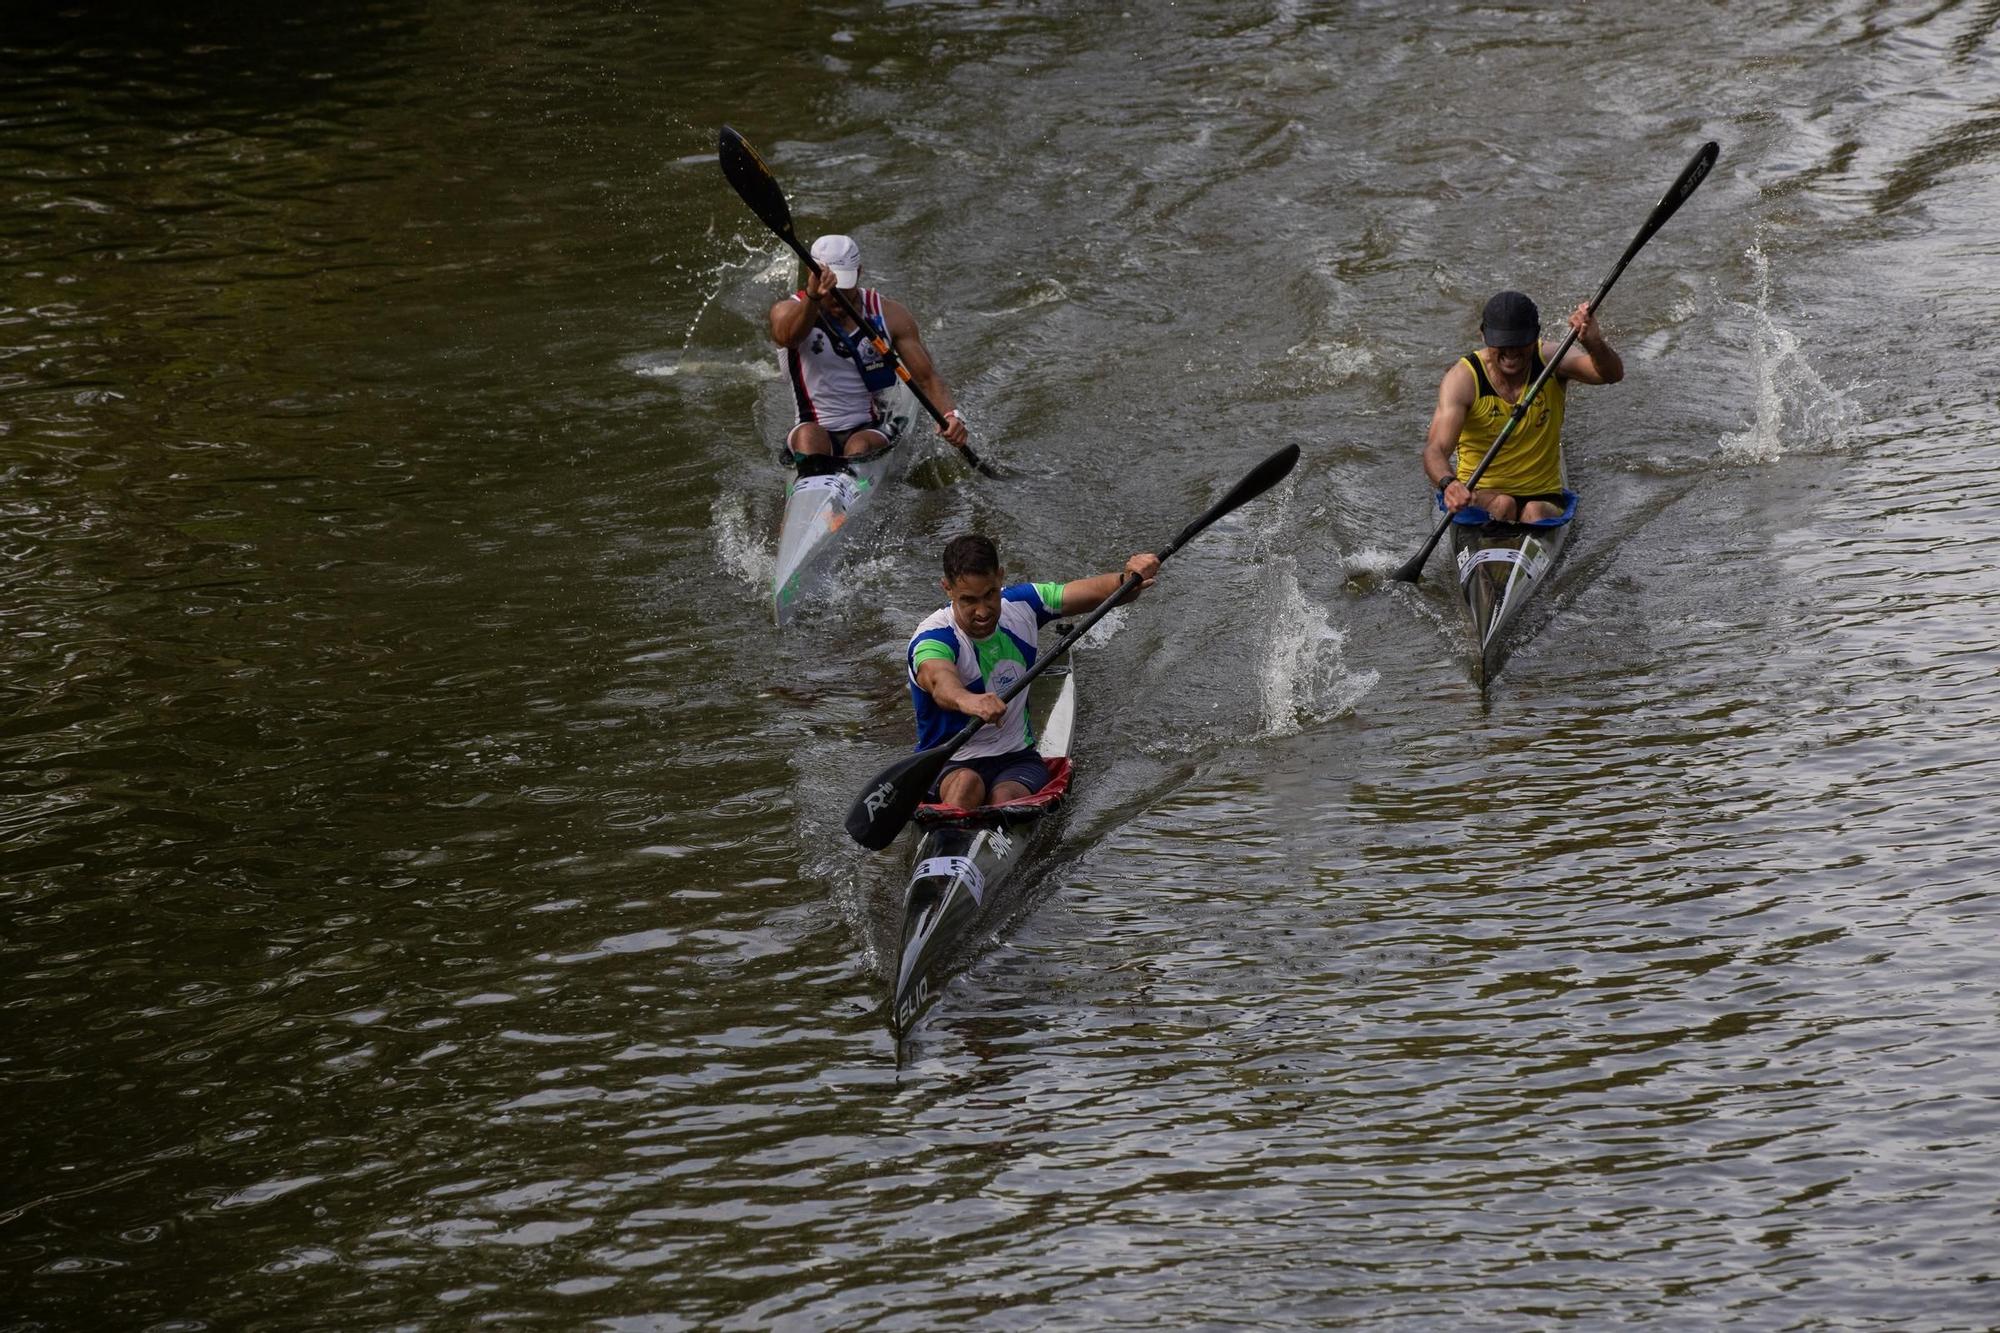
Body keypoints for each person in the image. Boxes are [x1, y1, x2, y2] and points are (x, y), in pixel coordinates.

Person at [908, 534, 1160, 809]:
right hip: (948, 764)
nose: (982, 611)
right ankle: (951, 841)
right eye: (969, 600)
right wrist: (968, 700)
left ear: (1001, 577)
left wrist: (1127, 579)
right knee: (968, 785)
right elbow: (938, 680)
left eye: (990, 594)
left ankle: (987, 832)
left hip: (1015, 760)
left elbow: (1096, 592)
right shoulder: (934, 637)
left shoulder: (1023, 604)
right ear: (948, 588)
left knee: (1003, 799)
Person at [769, 234, 970, 474]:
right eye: (831, 287)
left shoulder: (889, 314)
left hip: (868, 430)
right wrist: (813, 297)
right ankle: (816, 488)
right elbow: (788, 337)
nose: (839, 295)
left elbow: (927, 378)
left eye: (845, 286)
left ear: (859, 272)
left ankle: (851, 480)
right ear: (811, 276)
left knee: (859, 446)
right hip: (811, 427)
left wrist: (952, 416)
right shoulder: (786, 311)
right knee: (808, 438)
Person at [1422, 289, 1624, 523]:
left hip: (1543, 497)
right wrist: (1449, 484)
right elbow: (1434, 450)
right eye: (1502, 344)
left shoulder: (1550, 359)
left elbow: (1611, 374)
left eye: (1519, 342)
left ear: (1535, 336)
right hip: (1480, 497)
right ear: (1483, 336)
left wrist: (1594, 343)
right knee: (1502, 505)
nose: (1511, 352)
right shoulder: (1463, 379)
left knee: (1534, 512)